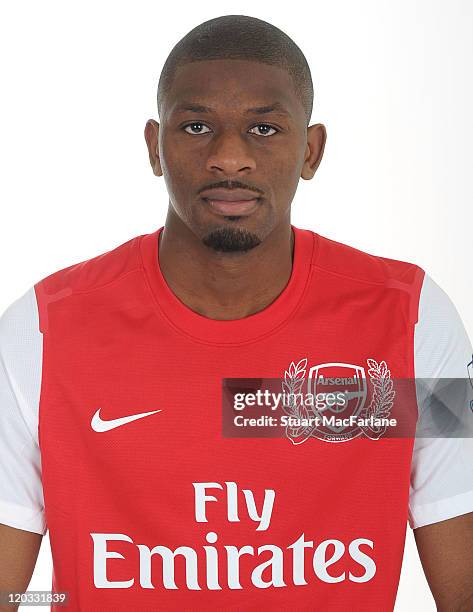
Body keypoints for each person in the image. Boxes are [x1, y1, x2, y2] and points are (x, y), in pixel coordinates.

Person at [0, 14, 472, 612]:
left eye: (264, 128)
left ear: (311, 149)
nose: (229, 157)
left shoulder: (411, 319)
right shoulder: (43, 331)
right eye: (196, 126)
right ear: (154, 146)